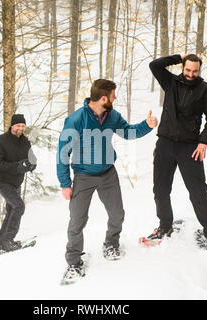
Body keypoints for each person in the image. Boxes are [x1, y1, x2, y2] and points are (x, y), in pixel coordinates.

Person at [57, 79, 158, 279]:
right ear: (104, 98)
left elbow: (128, 132)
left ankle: (111, 243)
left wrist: (147, 125)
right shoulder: (76, 120)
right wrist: (65, 183)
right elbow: (62, 154)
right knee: (77, 221)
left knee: (117, 214)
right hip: (83, 176)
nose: (115, 98)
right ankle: (74, 262)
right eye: (113, 95)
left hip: (107, 174)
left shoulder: (112, 116)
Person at [148, 53, 207, 251]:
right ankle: (165, 226)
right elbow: (154, 65)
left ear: (199, 70)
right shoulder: (171, 82)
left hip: (189, 147)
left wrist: (203, 141)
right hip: (165, 144)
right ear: (182, 67)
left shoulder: (204, 89)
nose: (191, 74)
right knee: (160, 190)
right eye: (188, 70)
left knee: (198, 192)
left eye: (195, 71)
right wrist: (177, 57)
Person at [0, 114, 37, 252]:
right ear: (12, 126)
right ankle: (8, 240)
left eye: (23, 126)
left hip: (16, 182)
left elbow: (31, 158)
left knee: (12, 210)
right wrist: (16, 167)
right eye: (18, 126)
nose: (20, 128)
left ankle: (0, 242)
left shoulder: (25, 142)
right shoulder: (1, 141)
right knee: (18, 206)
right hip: (2, 181)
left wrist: (32, 165)